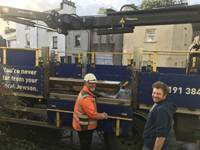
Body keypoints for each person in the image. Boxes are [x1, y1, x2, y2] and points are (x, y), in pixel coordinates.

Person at [72, 73, 108, 150]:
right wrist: (103, 115)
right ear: (85, 83)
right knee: (85, 146)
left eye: (94, 83)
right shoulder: (86, 98)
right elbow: (92, 115)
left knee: (84, 145)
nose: (93, 85)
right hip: (84, 127)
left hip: (83, 125)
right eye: (91, 83)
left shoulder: (86, 92)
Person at [143, 81, 176, 150]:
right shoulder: (161, 104)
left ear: (165, 95)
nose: (155, 95)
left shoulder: (162, 110)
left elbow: (161, 136)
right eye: (154, 93)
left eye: (158, 94)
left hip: (152, 146)